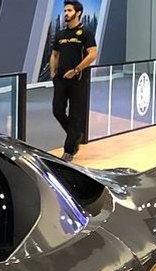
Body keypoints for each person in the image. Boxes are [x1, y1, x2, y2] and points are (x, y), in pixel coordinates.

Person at [50, 1, 98, 162]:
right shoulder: (60, 34)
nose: (66, 13)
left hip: (78, 79)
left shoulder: (86, 33)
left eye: (69, 10)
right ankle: (76, 134)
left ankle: (68, 151)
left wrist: (76, 70)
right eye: (65, 10)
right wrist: (53, 74)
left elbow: (92, 54)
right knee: (57, 111)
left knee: (75, 114)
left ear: (78, 13)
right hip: (61, 79)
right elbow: (54, 55)